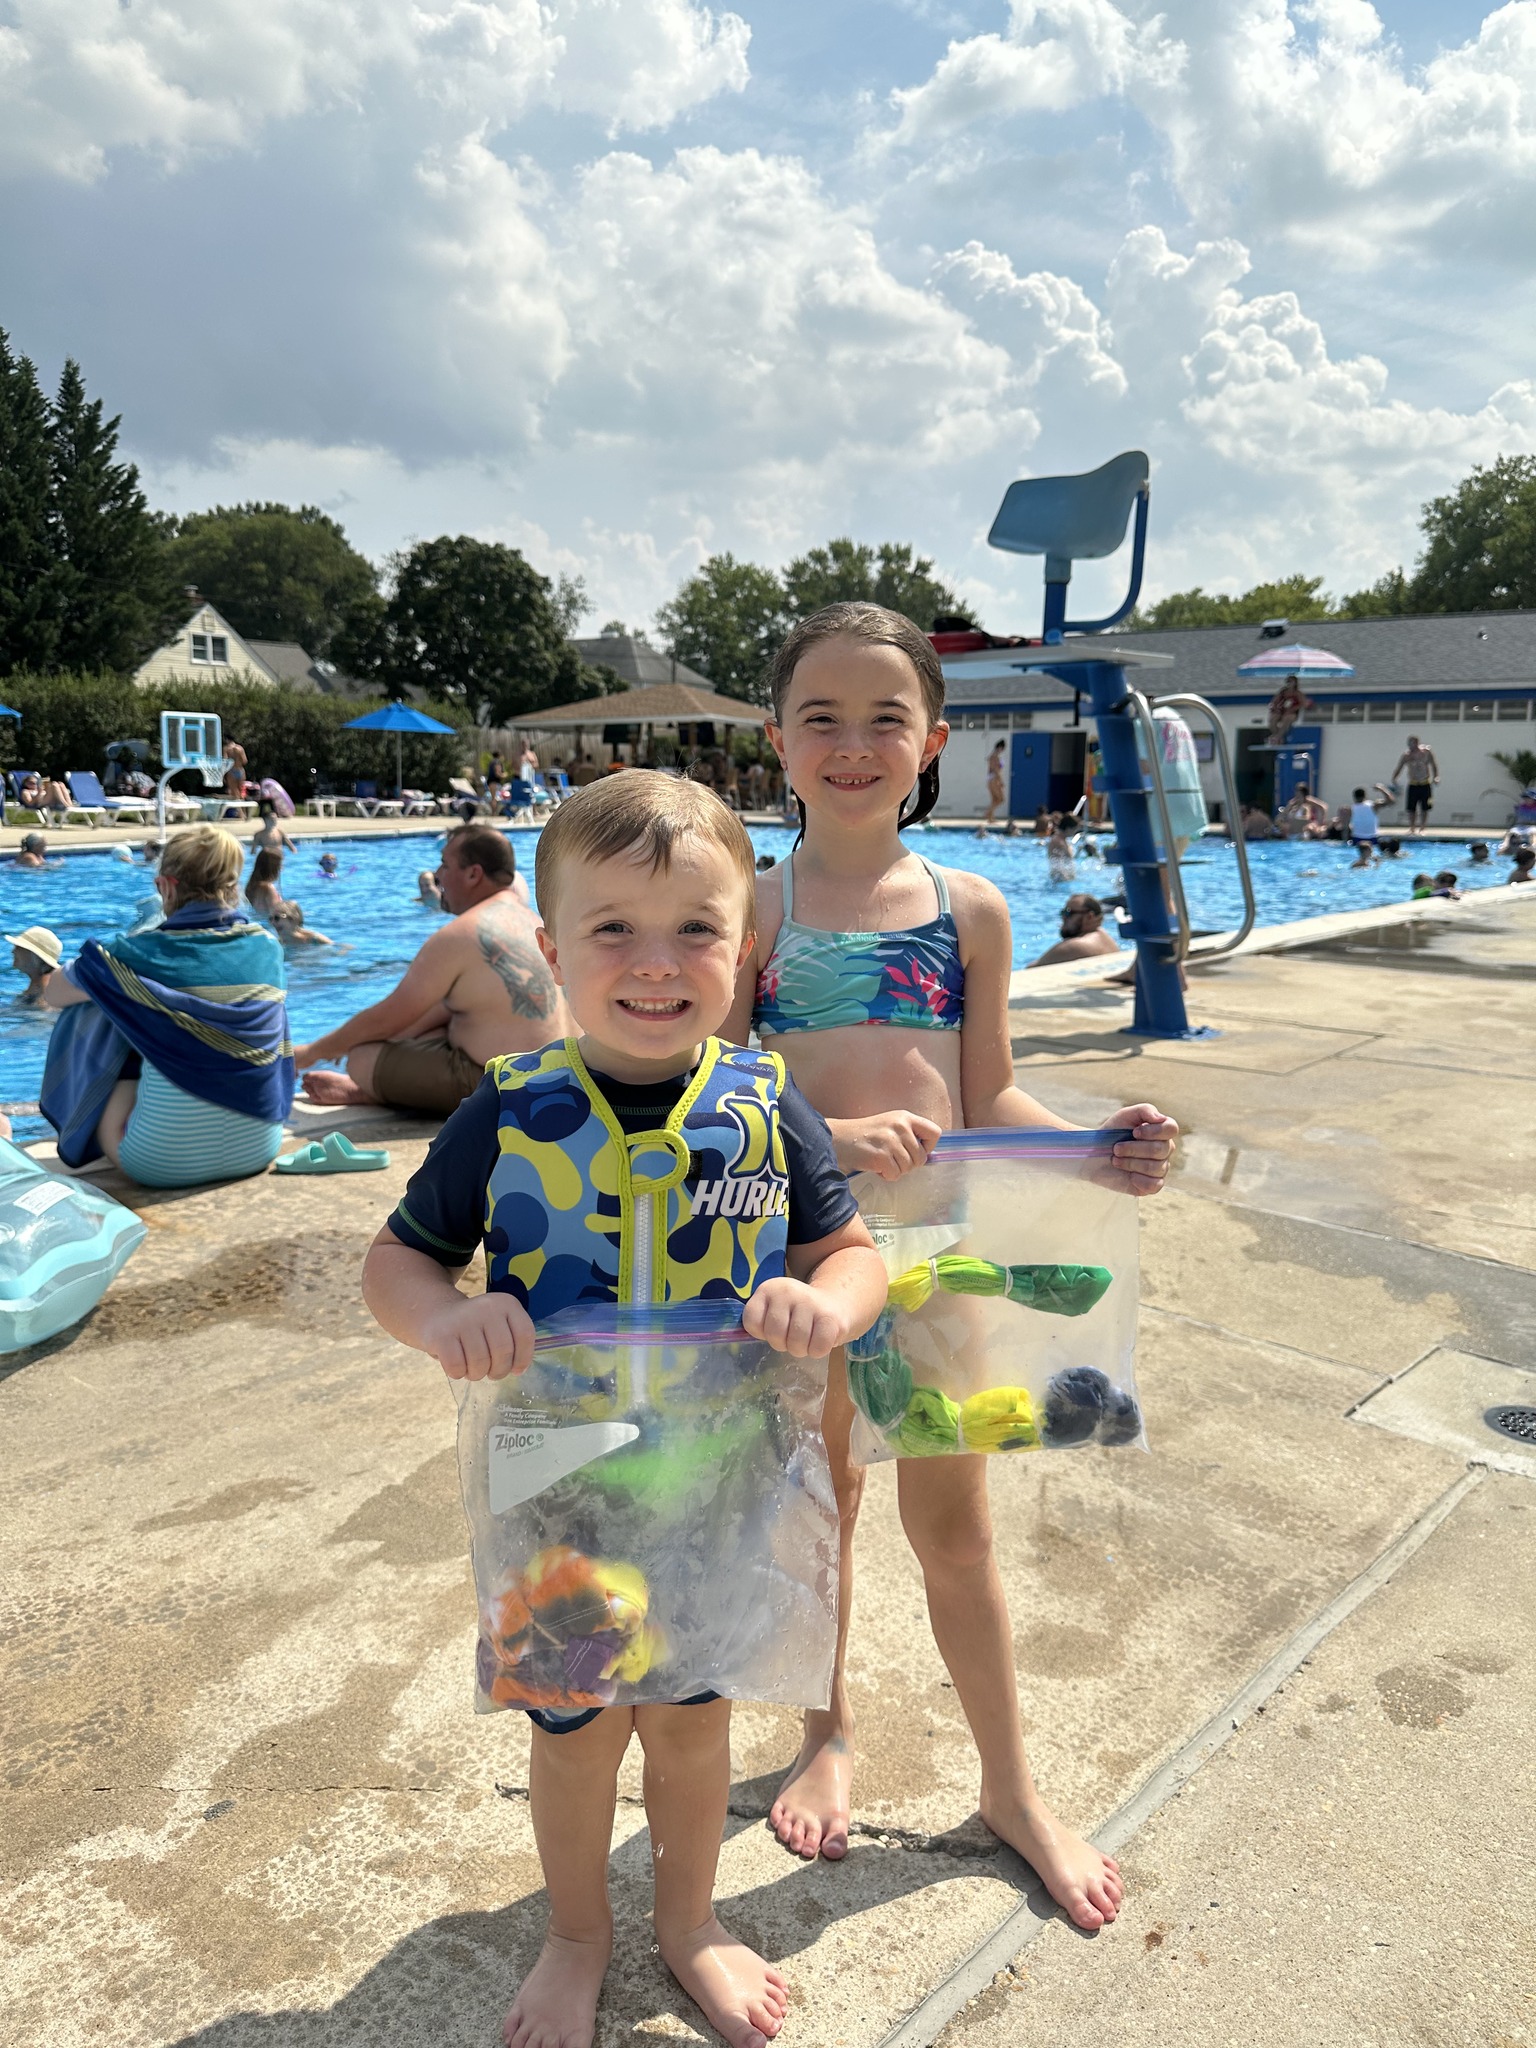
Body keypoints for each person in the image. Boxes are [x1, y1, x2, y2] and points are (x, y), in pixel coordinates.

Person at [362, 774, 886, 2048]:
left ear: (746, 947)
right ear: (551, 950)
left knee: (694, 1723)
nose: (658, 964)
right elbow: (397, 1261)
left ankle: (690, 1918)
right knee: (578, 1731)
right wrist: (443, 1318)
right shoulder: (513, 1107)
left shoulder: (765, 1104)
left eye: (696, 930)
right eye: (614, 931)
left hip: (718, 1485)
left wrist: (832, 1303)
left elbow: (853, 1248)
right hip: (561, 1489)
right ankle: (578, 1930)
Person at [729, 601, 1177, 1920]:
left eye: (885, 720)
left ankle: (1010, 1787)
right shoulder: (751, 908)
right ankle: (825, 1731)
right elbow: (709, 1086)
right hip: (801, 1254)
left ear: (932, 740)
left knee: (956, 1532)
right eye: (823, 718)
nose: (853, 744)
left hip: (935, 1262)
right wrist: (827, 1127)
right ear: (777, 740)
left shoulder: (971, 910)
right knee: (823, 1515)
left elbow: (988, 1101)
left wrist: (1097, 1146)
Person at [40, 827, 291, 1186]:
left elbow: (53, 994)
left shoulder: (130, 953)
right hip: (259, 1147)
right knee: (123, 993)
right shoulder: (267, 946)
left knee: (98, 999)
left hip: (159, 1164)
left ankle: (82, 1128)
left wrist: (118, 981)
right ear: (234, 888)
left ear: (167, 887)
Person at [294, 825, 571, 1114]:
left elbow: (388, 1017)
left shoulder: (463, 933)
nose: (438, 874)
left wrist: (311, 1053)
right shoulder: (536, 923)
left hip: (510, 1090)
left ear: (473, 874)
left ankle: (369, 1094)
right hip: (563, 1076)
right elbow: (421, 1017)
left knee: (361, 1057)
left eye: (445, 864)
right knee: (434, 1024)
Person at [1027, 894, 1121, 967]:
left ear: (1089, 917)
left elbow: (1030, 969)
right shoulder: (1104, 936)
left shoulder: (1076, 946)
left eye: (1069, 913)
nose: (1063, 917)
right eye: (1063, 912)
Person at [1390, 735, 1439, 833]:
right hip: (1413, 784)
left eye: (1413, 743)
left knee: (1425, 807)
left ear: (1417, 743)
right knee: (1411, 808)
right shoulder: (1406, 756)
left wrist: (1436, 777)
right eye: (1409, 744)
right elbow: (1399, 767)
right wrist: (1394, 778)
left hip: (1425, 783)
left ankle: (1422, 828)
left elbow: (1433, 765)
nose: (1411, 746)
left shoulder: (1426, 752)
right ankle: (1412, 828)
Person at [7, 925, 62, 1005]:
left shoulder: (45, 993)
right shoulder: (38, 985)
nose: (13, 951)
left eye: (18, 947)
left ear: (34, 955)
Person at [982, 739, 1006, 826]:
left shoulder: (992, 756)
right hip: (994, 779)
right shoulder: (996, 757)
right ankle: (988, 813)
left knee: (994, 799)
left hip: (991, 779)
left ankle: (990, 818)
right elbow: (996, 770)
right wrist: (1001, 781)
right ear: (1000, 747)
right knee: (1000, 799)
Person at [1045, 814, 1075, 882]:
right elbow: (1058, 866)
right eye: (1074, 830)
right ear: (1068, 829)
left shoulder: (1062, 840)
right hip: (1060, 879)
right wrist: (1067, 879)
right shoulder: (1058, 842)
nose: (1074, 833)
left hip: (1062, 878)